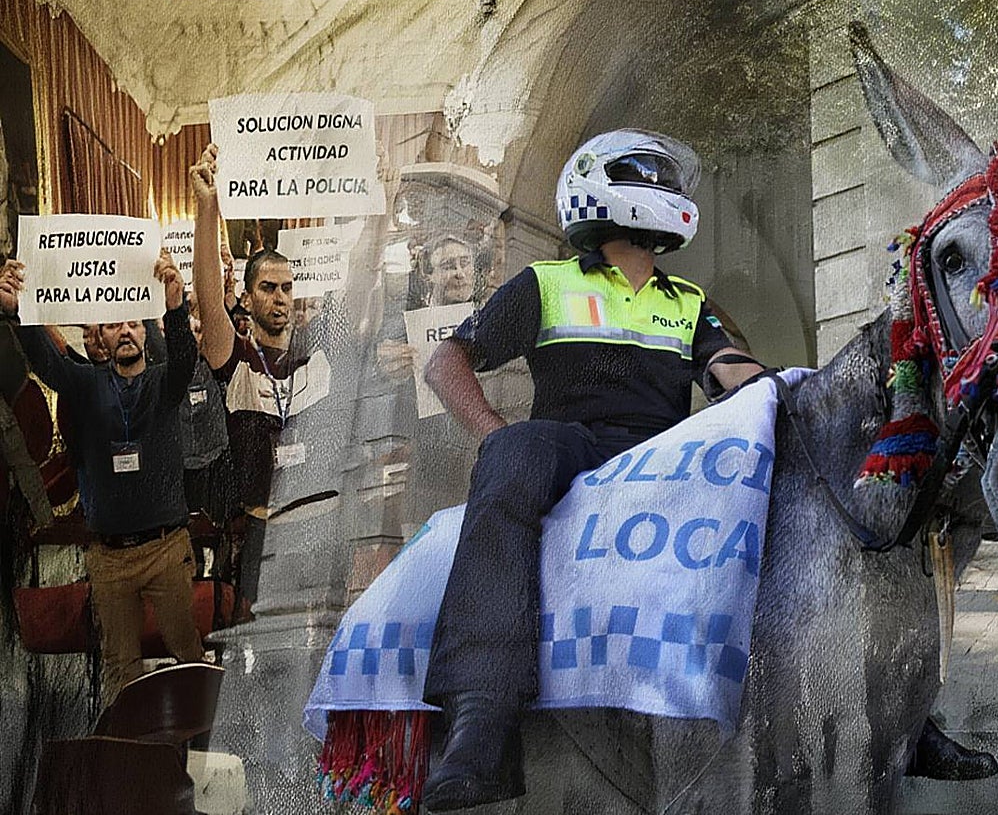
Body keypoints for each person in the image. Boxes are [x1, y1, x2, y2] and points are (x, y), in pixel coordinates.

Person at [418, 129, 764, 810]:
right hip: (570, 446)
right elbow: (445, 361)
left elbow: (733, 375)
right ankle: (480, 720)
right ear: (601, 187)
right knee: (518, 448)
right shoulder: (546, 282)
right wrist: (494, 436)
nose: (668, 189)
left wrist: (788, 389)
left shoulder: (689, 301)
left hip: (665, 454)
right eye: (651, 175)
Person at [0, 252, 205, 706]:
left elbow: (186, 361)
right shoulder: (85, 384)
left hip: (166, 549)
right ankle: (126, 760)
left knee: (188, 654)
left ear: (144, 332)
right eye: (115, 325)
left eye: (133, 322)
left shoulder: (163, 383)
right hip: (110, 560)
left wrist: (175, 309)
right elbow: (46, 363)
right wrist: (18, 314)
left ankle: (200, 742)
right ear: (103, 337)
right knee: (120, 669)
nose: (126, 331)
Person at [189, 142, 332, 604]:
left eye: (287, 288)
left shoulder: (319, 356)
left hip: (317, 529)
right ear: (248, 300)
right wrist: (207, 210)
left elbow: (366, 295)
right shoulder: (239, 364)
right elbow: (211, 300)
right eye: (268, 288)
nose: (280, 298)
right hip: (260, 534)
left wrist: (382, 201)